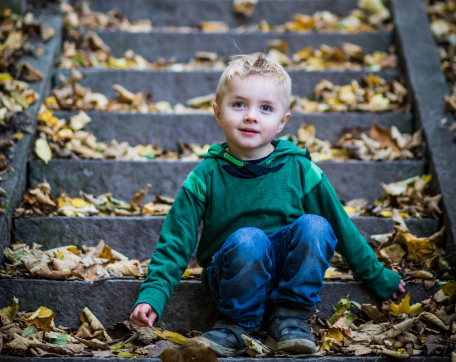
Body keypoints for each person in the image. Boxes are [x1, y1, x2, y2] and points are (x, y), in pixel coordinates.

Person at [130, 53, 406, 356]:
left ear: (281, 122)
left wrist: (378, 277)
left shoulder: (299, 168)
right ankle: (237, 324)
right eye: (239, 104)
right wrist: (153, 295)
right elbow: (176, 240)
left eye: (265, 108)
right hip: (231, 274)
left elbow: (341, 225)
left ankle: (290, 317)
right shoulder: (206, 175)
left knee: (316, 225)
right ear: (218, 113)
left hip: (287, 271)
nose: (251, 116)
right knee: (250, 239)